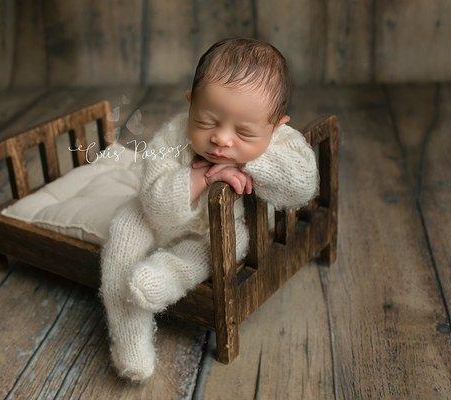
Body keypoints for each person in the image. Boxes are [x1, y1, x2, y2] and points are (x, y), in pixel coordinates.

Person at [99, 37, 319, 381]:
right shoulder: (171, 137)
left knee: (217, 248)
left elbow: (303, 185)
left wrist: (249, 165)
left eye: (244, 132)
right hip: (163, 214)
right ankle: (129, 338)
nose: (222, 139)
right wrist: (194, 180)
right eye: (206, 121)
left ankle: (167, 274)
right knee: (124, 228)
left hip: (218, 230)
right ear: (191, 104)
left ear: (275, 126)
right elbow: (155, 203)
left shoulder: (282, 142)